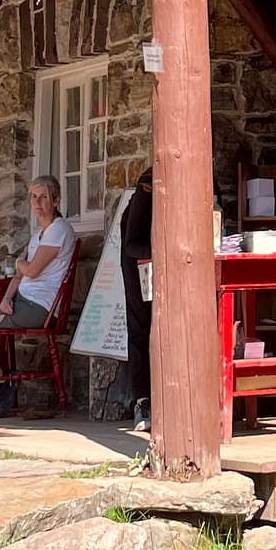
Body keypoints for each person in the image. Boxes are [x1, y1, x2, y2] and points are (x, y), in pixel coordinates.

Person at [0, 176, 73, 412]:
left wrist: (20, 262)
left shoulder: (58, 229)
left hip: (41, 307)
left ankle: (1, 383)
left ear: (56, 201)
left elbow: (30, 269)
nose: (38, 202)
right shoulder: (37, 236)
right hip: (23, 302)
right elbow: (20, 277)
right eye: (34, 197)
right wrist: (7, 298)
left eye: (43, 197)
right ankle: (2, 380)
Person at [121, 166, 154, 431]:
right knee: (141, 327)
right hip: (139, 262)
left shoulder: (206, 176)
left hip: (173, 262)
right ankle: (142, 401)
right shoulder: (149, 184)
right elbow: (131, 243)